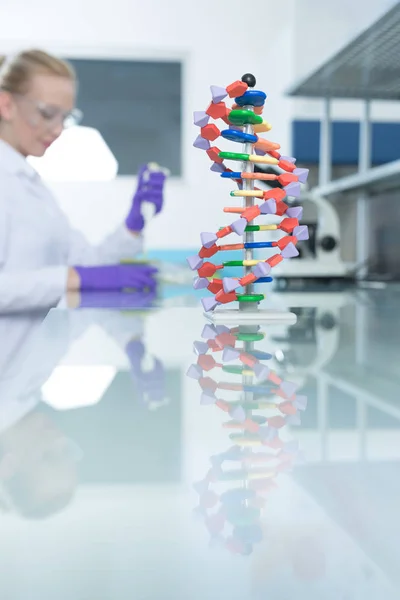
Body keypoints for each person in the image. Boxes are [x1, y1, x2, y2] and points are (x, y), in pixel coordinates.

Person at [0, 49, 168, 313]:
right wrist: (72, 279)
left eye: (65, 117)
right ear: (7, 105)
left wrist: (133, 224)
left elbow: (87, 262)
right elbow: (78, 275)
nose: (58, 129)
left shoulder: (33, 186)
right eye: (46, 113)